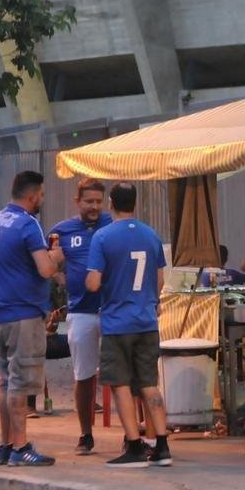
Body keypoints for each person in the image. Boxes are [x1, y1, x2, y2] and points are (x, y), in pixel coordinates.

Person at [85, 182, 172, 468]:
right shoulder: (151, 235)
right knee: (149, 383)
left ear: (111, 202)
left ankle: (134, 445)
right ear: (135, 203)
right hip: (146, 320)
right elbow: (159, 281)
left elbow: (94, 282)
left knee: (120, 384)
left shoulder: (102, 236)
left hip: (117, 322)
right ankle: (161, 445)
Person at [0, 170, 65, 467]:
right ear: (32, 196)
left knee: (7, 381)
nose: (42, 200)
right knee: (19, 383)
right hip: (23, 314)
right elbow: (45, 269)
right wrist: (56, 254)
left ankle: (6, 446)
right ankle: (21, 448)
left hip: (0, 312)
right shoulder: (27, 224)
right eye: (42, 195)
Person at [48, 177, 114, 455]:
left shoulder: (113, 225)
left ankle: (133, 435)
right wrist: (61, 275)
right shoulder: (61, 231)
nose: (94, 206)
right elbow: (46, 264)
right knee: (84, 376)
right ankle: (86, 435)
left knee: (121, 376)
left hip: (113, 310)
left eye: (99, 201)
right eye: (89, 201)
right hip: (81, 313)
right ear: (77, 201)